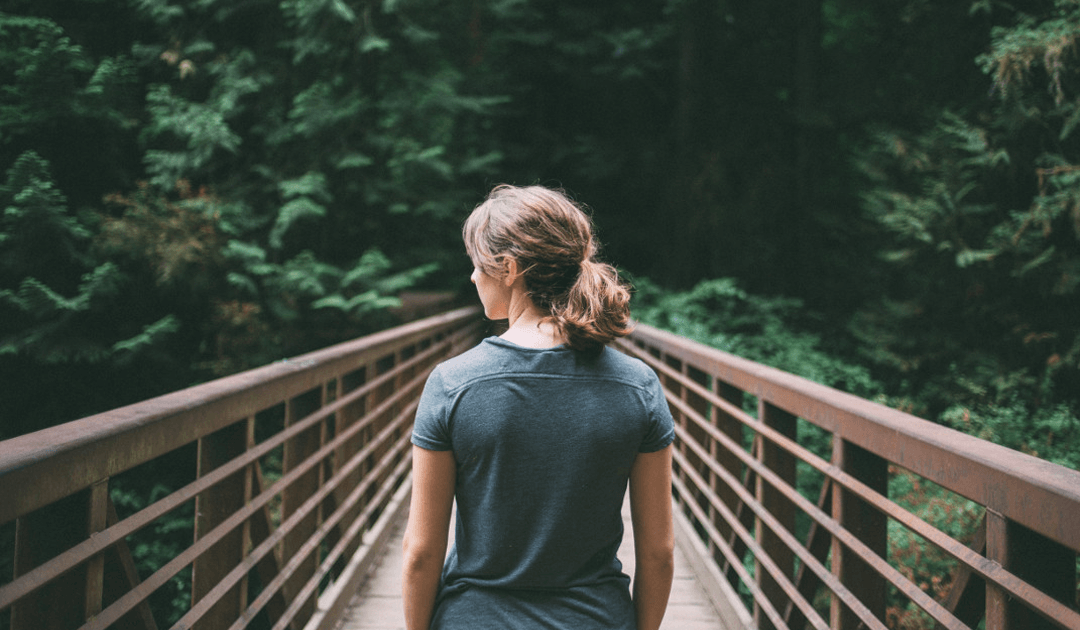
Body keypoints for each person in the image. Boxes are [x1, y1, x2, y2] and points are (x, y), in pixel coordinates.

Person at [401, 184, 675, 630]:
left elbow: (421, 553)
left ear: (508, 268)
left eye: (477, 265)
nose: (473, 277)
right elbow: (659, 552)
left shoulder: (454, 384)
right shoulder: (637, 386)